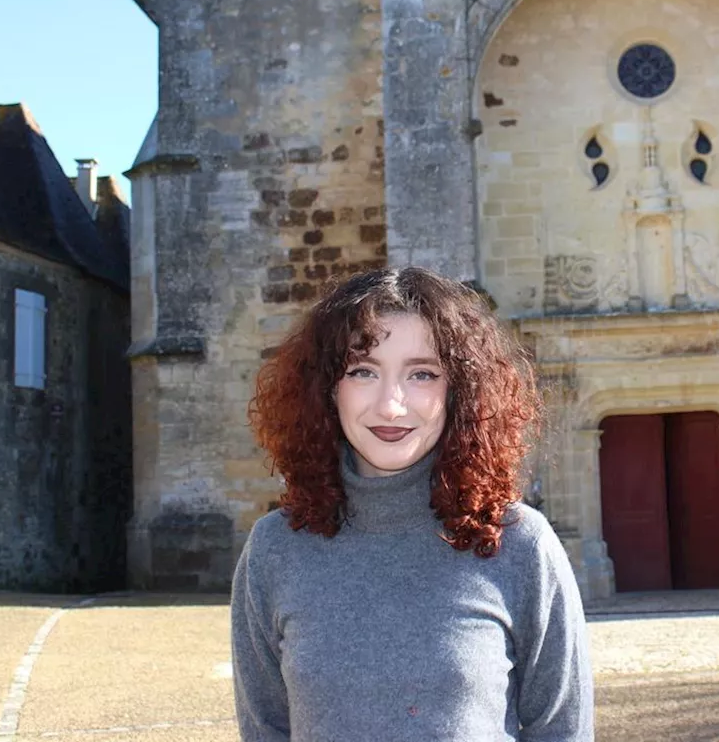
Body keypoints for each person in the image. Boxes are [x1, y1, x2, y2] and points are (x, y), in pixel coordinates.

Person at [234, 266, 594, 741]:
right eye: (362, 371)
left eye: (422, 373)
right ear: (327, 388)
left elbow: (562, 731)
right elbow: (266, 730)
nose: (391, 405)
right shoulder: (275, 549)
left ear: (460, 391)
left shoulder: (521, 545)